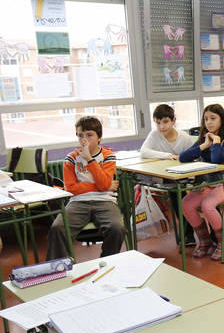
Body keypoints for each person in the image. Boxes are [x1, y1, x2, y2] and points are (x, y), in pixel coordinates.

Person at [47, 116, 125, 260]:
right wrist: (103, 186)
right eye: (80, 135)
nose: (84, 140)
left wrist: (89, 159)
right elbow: (70, 189)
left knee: (116, 228)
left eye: (89, 135)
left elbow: (102, 185)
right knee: (57, 228)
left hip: (105, 201)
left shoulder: (108, 156)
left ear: (99, 137)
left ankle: (108, 261)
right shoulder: (71, 158)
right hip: (78, 202)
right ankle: (61, 268)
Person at [179, 104, 224, 261]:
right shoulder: (203, 139)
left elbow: (216, 160)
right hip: (209, 184)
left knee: (208, 204)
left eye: (213, 118)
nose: (209, 122)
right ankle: (205, 241)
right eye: (206, 119)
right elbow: (183, 157)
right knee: (186, 203)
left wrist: (215, 143)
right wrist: (204, 145)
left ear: (222, 120)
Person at [141, 103, 195, 246]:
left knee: (178, 194)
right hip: (164, 176)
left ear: (174, 121)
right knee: (175, 193)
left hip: (184, 177)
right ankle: (186, 234)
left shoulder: (185, 138)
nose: (161, 127)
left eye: (165, 122)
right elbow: (144, 151)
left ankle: (188, 234)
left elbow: (193, 160)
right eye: (158, 123)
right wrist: (167, 155)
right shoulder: (154, 134)